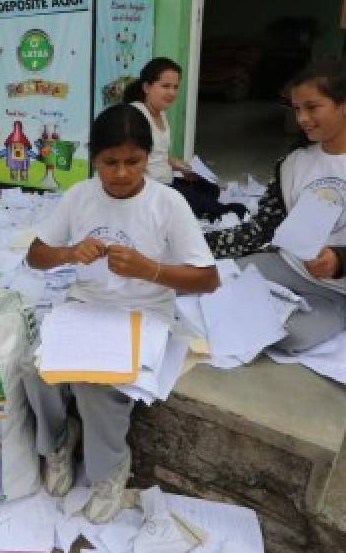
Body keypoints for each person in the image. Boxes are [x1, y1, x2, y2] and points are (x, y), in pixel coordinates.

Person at [24, 103, 220, 523]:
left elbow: (208, 278)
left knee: (98, 386)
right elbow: (36, 256)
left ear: (149, 158)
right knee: (33, 369)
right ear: (93, 158)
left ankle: (108, 470)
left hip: (143, 313)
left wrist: (152, 269)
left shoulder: (167, 203)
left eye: (133, 161)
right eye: (110, 162)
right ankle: (59, 441)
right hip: (86, 307)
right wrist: (68, 252)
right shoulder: (79, 196)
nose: (121, 173)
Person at [207, 60, 346, 352]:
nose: (302, 118)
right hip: (283, 266)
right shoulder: (294, 163)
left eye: (312, 107)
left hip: (339, 291)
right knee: (202, 289)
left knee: (290, 336)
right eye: (296, 108)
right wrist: (196, 244)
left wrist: (343, 260)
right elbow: (260, 229)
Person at [123, 57, 246, 221]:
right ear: (147, 87)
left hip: (167, 180)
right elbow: (131, 161)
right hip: (153, 188)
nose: (172, 93)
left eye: (175, 87)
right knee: (217, 208)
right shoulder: (136, 116)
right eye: (165, 86)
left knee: (211, 189)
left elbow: (157, 154)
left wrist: (180, 167)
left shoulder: (161, 113)